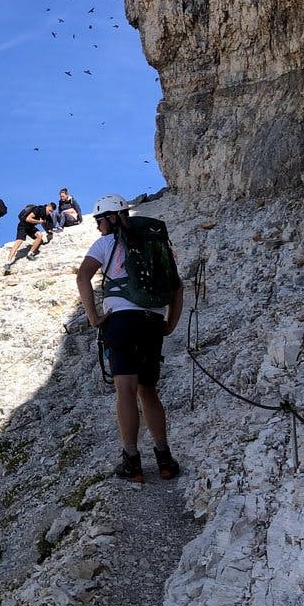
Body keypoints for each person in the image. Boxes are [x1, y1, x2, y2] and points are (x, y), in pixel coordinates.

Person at [75, 193, 184, 482]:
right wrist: (170, 324)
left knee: (125, 389)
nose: (98, 227)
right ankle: (164, 458)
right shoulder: (156, 244)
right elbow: (177, 287)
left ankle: (132, 462)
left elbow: (82, 277)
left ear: (110, 218)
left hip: (121, 320)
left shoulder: (105, 243)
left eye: (99, 220)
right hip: (152, 321)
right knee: (148, 390)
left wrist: (94, 317)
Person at [2, 202, 56, 275]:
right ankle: (7, 263)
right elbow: (28, 219)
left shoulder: (46, 215)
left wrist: (49, 231)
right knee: (19, 242)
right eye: (49, 210)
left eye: (51, 212)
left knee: (39, 236)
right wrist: (38, 221)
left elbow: (46, 224)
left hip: (30, 227)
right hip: (23, 226)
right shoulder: (38, 209)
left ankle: (30, 254)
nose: (49, 212)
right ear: (47, 206)